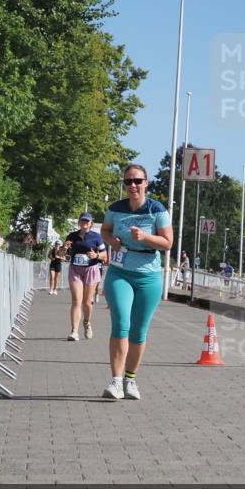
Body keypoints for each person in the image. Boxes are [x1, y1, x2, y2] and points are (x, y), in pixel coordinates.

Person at [99, 164, 173, 400]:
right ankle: (116, 381)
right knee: (121, 323)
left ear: (146, 183)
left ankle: (130, 380)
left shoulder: (157, 210)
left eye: (137, 181)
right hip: (120, 271)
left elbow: (167, 243)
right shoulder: (115, 209)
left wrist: (145, 237)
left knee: (139, 331)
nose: (132, 186)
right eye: (128, 182)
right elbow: (105, 230)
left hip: (148, 275)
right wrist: (113, 242)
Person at [65, 212, 107, 340]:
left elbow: (105, 255)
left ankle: (87, 323)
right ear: (79, 222)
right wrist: (63, 248)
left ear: (91, 224)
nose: (84, 223)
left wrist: (96, 256)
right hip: (75, 269)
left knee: (87, 302)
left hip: (91, 270)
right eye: (82, 221)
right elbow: (62, 252)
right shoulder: (72, 236)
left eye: (87, 221)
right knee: (76, 301)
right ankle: (74, 331)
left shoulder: (96, 237)